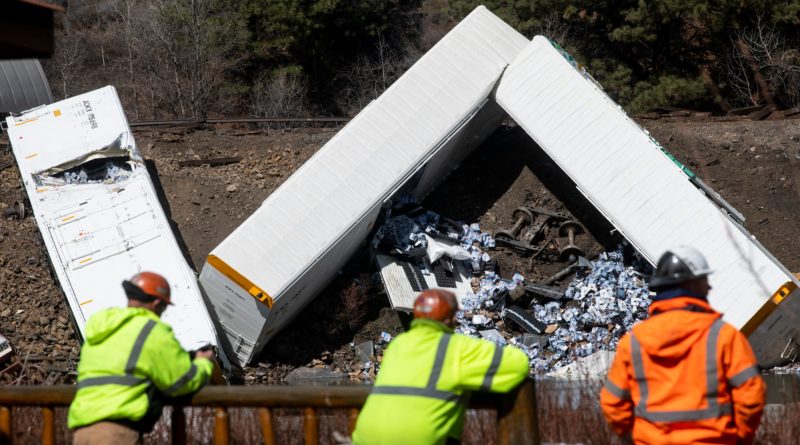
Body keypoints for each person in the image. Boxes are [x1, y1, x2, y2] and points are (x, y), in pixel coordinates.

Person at [601, 246, 766, 444]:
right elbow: (751, 397)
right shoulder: (724, 336)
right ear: (692, 285)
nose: (709, 287)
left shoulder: (633, 342)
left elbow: (612, 403)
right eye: (704, 280)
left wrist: (636, 438)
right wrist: (740, 438)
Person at [352, 288, 530, 445]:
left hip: (365, 437)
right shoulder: (457, 347)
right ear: (451, 318)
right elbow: (518, 364)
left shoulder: (398, 344)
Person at [68, 272, 216, 445]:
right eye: (164, 308)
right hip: (116, 433)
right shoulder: (152, 330)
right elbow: (181, 381)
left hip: (82, 432)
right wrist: (203, 363)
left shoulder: (102, 327)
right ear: (157, 303)